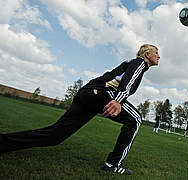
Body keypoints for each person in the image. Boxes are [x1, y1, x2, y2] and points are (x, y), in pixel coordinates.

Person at [0, 44, 160, 175]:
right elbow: (128, 81)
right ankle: (113, 164)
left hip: (88, 93)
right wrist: (117, 101)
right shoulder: (139, 63)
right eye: (156, 53)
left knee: (55, 136)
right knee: (136, 119)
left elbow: (117, 77)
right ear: (147, 54)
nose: (158, 56)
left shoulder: (131, 63)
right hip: (100, 94)